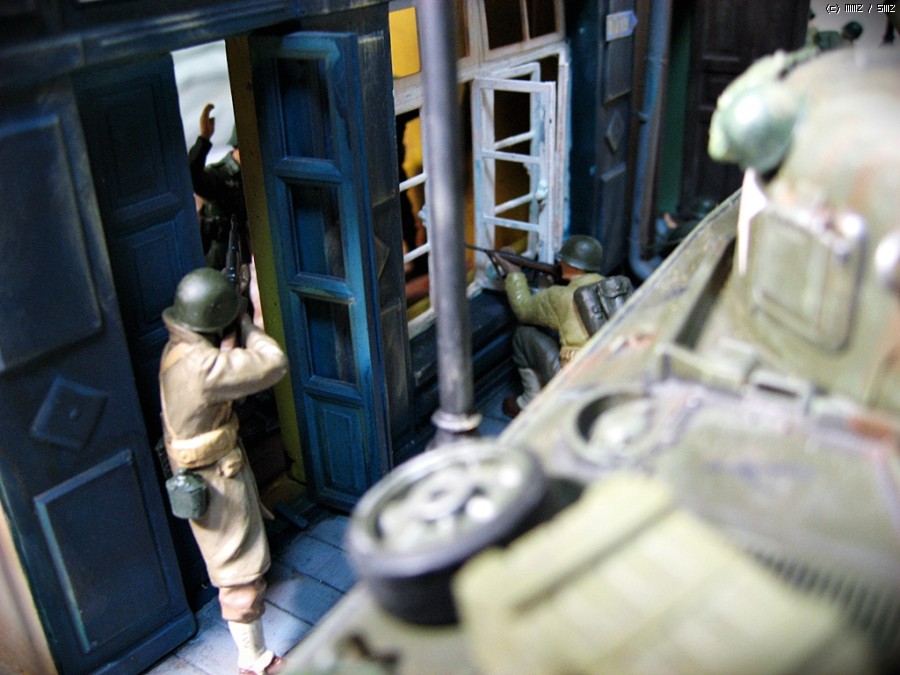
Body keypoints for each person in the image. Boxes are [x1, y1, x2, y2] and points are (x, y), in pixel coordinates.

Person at [159, 268, 288, 675]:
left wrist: (227, 331)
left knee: (235, 561)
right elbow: (273, 363)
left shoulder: (179, 350)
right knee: (238, 571)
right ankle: (255, 661)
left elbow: (222, 371)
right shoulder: (204, 367)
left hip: (206, 469)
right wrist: (246, 324)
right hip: (216, 478)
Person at [496, 235, 605, 418]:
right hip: (607, 370)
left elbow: (523, 310)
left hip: (575, 380)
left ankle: (529, 403)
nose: (560, 263)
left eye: (563, 260)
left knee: (523, 335)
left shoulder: (559, 296)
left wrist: (513, 273)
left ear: (572, 265)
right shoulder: (608, 286)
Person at [188, 103, 249, 269]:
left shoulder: (252, 175)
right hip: (220, 256)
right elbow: (192, 176)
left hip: (244, 252)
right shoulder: (219, 175)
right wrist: (204, 139)